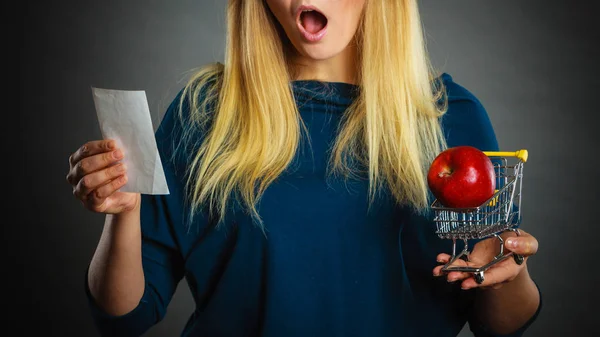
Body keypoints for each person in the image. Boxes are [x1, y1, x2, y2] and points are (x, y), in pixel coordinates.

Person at [66, 0, 542, 336]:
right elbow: (124, 316)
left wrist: (510, 271)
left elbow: (500, 324)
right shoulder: (205, 113)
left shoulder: (452, 117)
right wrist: (122, 210)